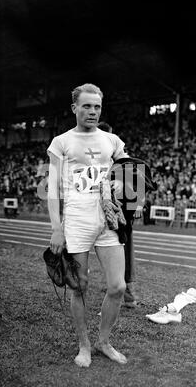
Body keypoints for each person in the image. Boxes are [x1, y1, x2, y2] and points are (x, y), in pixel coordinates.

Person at [47, 83, 129, 368]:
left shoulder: (112, 140)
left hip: (106, 219)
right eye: (87, 106)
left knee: (118, 286)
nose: (92, 111)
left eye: (97, 107)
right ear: (75, 108)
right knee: (79, 287)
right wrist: (57, 227)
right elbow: (53, 189)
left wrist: (124, 184)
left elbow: (132, 173)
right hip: (77, 220)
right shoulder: (61, 142)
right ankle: (84, 345)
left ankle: (103, 341)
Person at [97, 121, 142, 307]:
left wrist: (138, 204)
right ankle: (115, 285)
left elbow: (137, 175)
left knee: (123, 247)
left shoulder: (118, 153)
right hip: (100, 209)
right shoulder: (95, 156)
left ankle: (128, 294)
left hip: (121, 210)